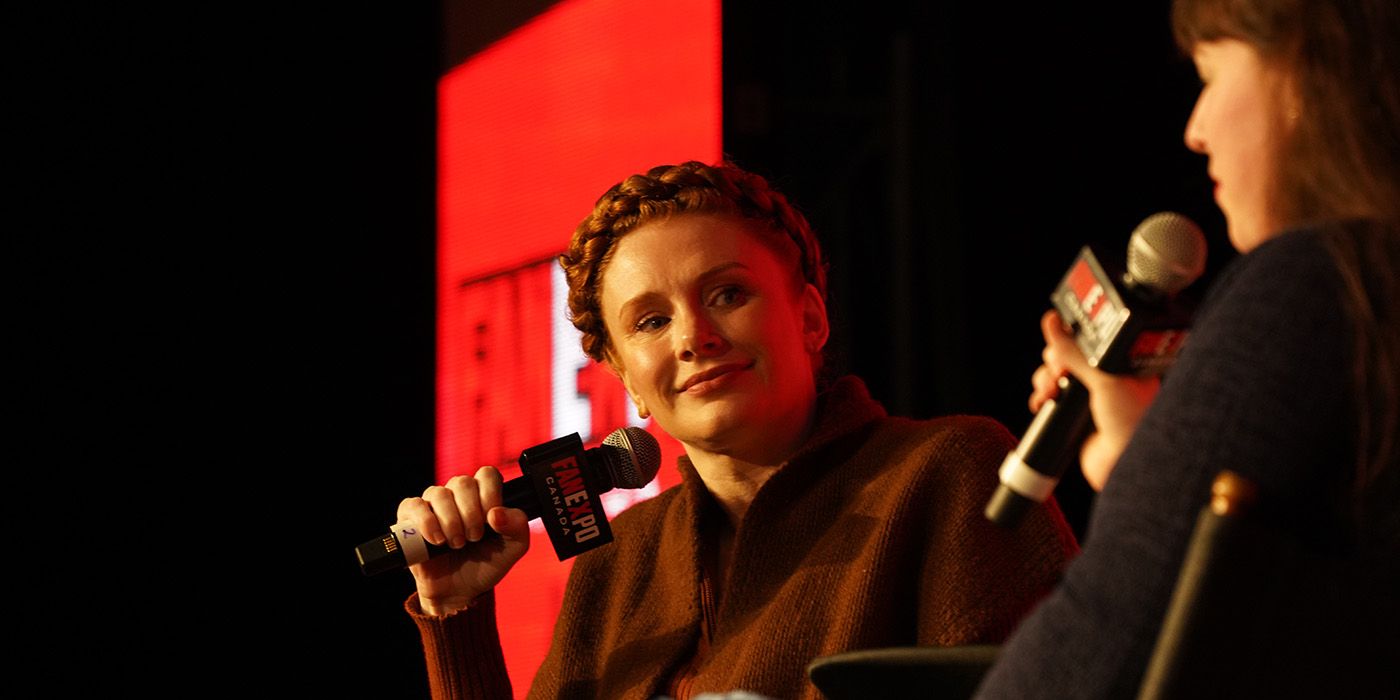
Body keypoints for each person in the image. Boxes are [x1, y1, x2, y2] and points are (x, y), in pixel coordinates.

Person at [397, 161, 1080, 699]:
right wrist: (457, 615)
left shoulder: (948, 472)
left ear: (810, 317)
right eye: (651, 322)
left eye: (727, 294)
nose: (695, 337)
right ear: (628, 380)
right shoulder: (616, 561)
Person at [975, 0, 1400, 697]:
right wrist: (1147, 451)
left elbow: (1109, 638)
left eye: (1210, 73)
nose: (1195, 131)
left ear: (1302, 68)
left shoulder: (1315, 285)